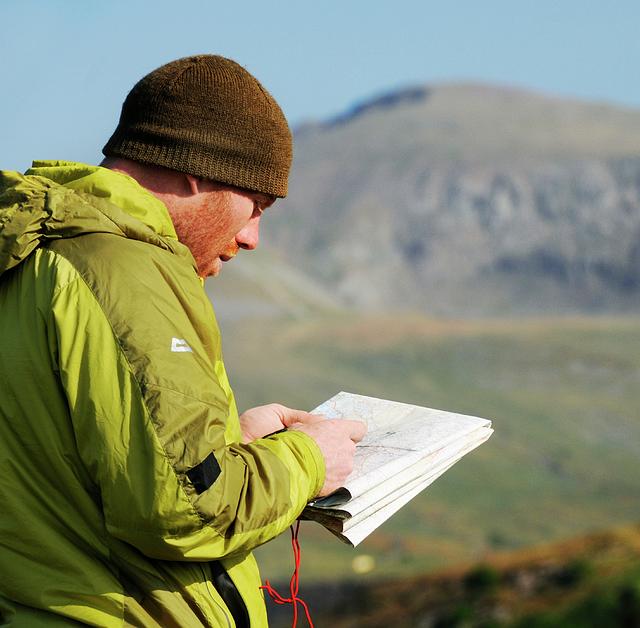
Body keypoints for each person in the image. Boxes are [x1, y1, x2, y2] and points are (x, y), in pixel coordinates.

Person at [0, 55, 366, 626]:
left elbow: (83, 467)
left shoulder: (38, 253)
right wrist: (310, 459)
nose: (251, 238)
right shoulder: (123, 269)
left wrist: (230, 445)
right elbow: (189, 511)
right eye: (256, 206)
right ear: (196, 170)